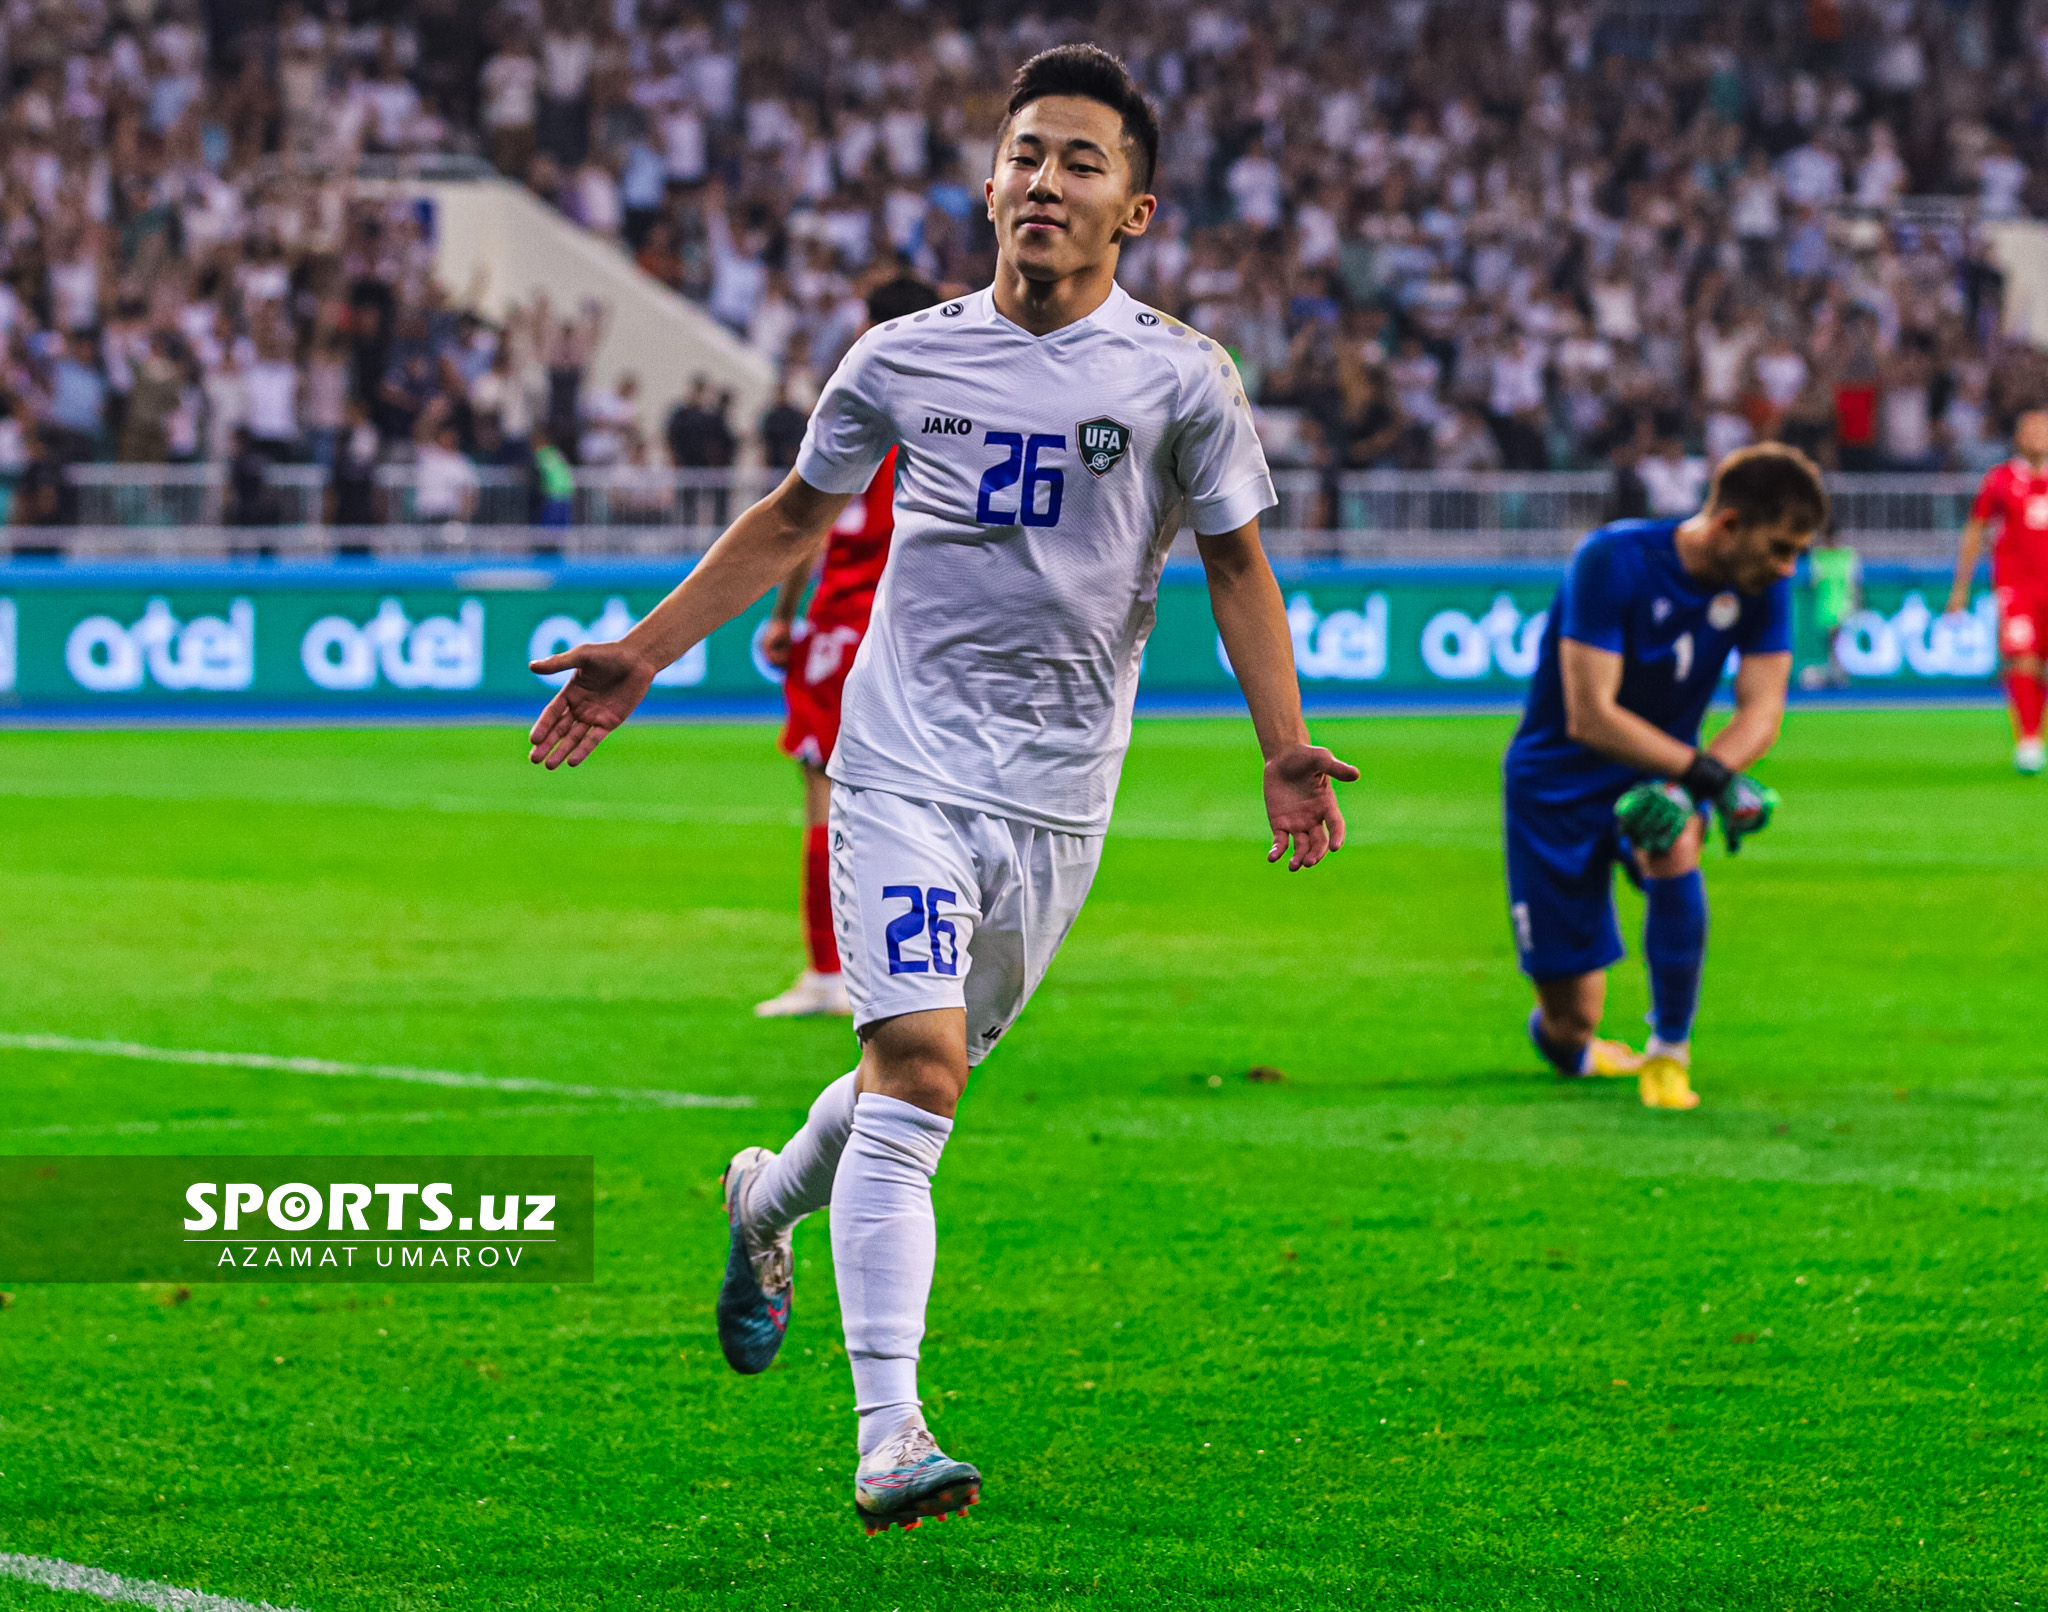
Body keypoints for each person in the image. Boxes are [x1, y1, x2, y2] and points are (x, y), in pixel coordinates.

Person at [525, 44, 1355, 1533]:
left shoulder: (1184, 375)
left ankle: (763, 1202)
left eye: (1081, 161)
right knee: (917, 1076)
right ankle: (890, 1431)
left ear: (1135, 210)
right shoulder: (902, 357)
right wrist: (645, 654)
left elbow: (1237, 562)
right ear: (989, 185)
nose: (1046, 180)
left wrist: (1280, 745)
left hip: (1059, 798)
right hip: (901, 761)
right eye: (1026, 154)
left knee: (917, 1081)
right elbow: (792, 519)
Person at [1504, 444, 1825, 1112]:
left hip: (1659, 774)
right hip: (1553, 786)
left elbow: (1763, 710)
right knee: (1570, 1029)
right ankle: (1575, 1043)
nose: (1789, 567)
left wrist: (1689, 789)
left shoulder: (1763, 584)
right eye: (1780, 548)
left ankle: (1669, 1054)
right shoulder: (1612, 560)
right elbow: (1593, 715)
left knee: (1672, 836)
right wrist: (1708, 777)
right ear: (1729, 526)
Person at [754, 276, 940, 1020]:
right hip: (918, 627)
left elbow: (805, 523)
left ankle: (828, 972)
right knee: (918, 804)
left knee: (823, 795)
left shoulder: (862, 403)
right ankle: (923, 964)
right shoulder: (959, 408)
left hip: (845, 622)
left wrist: (781, 616)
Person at [1946, 409, 2048, 774]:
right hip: (2017, 587)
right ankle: (2030, 741)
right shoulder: (2000, 480)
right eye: (2030, 429)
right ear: (2018, 437)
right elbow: (1975, 532)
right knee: (2023, 659)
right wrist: (1961, 588)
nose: (2038, 435)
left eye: (2044, 429)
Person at [1800, 529, 1860, 690]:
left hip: (1841, 608)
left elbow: (1854, 584)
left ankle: (1835, 677)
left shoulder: (1843, 556)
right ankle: (1833, 677)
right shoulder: (1821, 556)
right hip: (1827, 608)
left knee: (1837, 646)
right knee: (1831, 647)